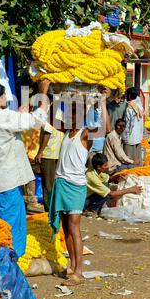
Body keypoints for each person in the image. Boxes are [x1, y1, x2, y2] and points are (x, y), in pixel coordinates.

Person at [0, 80, 50, 257]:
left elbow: (7, 128)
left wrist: (18, 115)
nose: (6, 98)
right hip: (7, 181)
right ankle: (10, 260)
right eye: (3, 96)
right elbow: (36, 120)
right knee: (12, 223)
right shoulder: (3, 117)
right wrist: (43, 95)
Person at [48, 101, 96, 286]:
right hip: (61, 183)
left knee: (75, 226)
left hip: (76, 185)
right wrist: (53, 98)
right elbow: (51, 118)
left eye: (75, 114)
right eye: (69, 114)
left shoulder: (85, 134)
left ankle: (79, 272)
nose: (71, 117)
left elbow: (104, 128)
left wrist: (100, 101)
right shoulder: (67, 131)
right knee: (66, 228)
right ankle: (72, 265)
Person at [35, 109, 64, 210]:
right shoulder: (62, 117)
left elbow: (47, 135)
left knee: (48, 184)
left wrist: (40, 152)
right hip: (56, 155)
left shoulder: (50, 119)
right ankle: (53, 207)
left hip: (49, 155)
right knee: (52, 183)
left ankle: (49, 208)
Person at [122, 87, 144, 164]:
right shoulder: (139, 105)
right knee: (137, 157)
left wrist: (124, 136)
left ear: (129, 95)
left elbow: (128, 124)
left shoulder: (129, 107)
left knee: (130, 159)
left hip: (130, 137)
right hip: (138, 136)